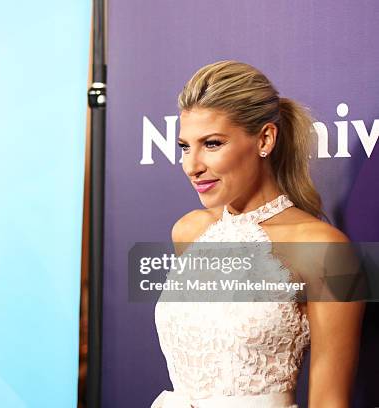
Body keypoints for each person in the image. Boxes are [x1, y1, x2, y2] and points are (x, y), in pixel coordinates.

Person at [152, 61, 365, 408]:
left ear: (265, 138)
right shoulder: (188, 231)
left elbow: (330, 400)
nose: (192, 165)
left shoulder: (325, 250)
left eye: (212, 143)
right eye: (185, 147)